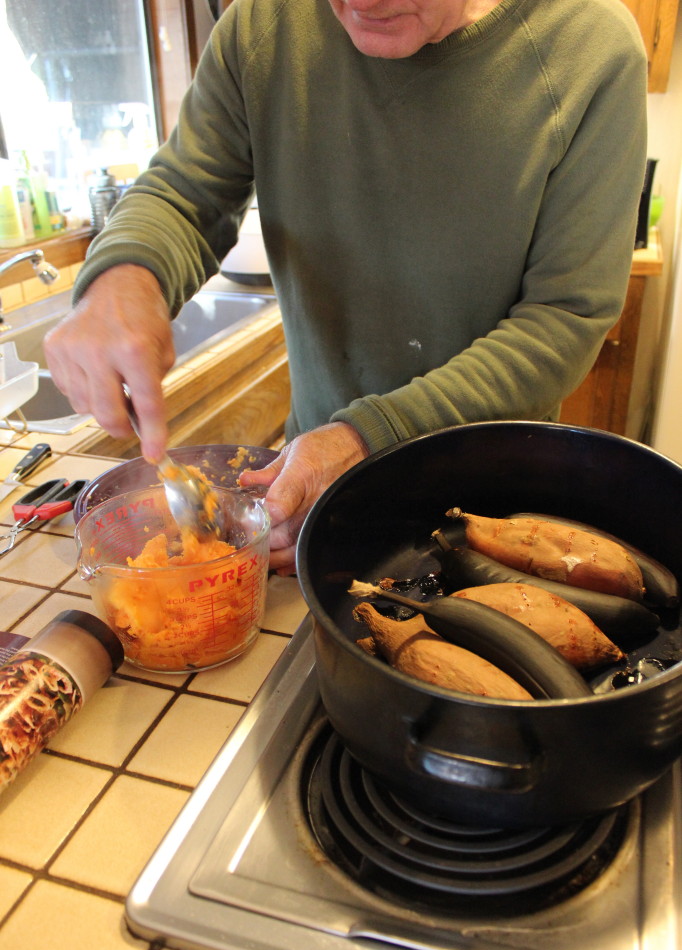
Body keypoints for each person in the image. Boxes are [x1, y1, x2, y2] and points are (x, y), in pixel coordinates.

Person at [44, 0, 648, 575]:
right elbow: (183, 193)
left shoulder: (591, 50)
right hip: (310, 490)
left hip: (495, 510)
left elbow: (563, 319)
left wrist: (366, 438)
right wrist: (124, 276)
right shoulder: (263, 27)